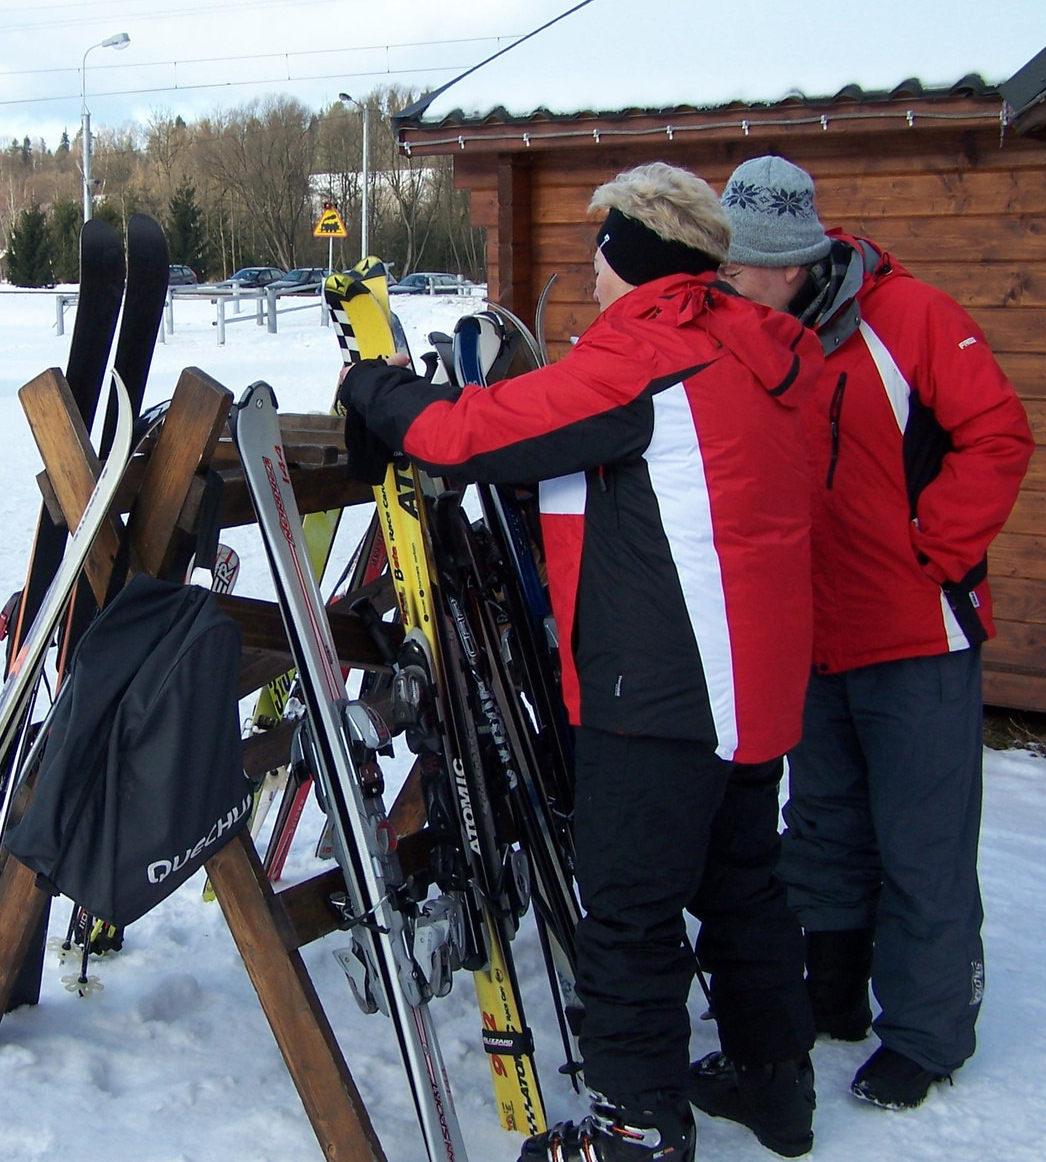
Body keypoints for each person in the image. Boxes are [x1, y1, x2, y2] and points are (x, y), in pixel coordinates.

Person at [339, 162, 820, 1161]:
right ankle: (775, 1085)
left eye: (599, 255)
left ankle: (636, 1128)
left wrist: (372, 389)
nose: (590, 277)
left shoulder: (651, 356)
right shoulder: (763, 347)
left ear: (633, 260)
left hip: (661, 688)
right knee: (740, 881)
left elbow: (462, 435)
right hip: (751, 679)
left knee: (629, 908)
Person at [714, 155, 1033, 1111]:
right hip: (812, 631)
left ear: (796, 260)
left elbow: (1000, 436)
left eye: (742, 265)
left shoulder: (915, 318)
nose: (727, 279)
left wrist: (932, 550)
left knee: (922, 841)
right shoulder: (759, 334)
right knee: (823, 827)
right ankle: (833, 991)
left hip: (917, 631)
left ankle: (928, 1034)